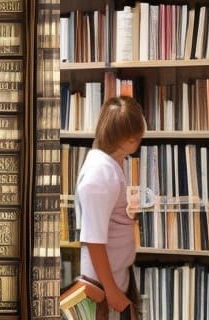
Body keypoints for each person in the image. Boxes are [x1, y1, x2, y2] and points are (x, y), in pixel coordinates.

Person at [75, 94, 147, 319]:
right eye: (137, 136)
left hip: (116, 276)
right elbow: (94, 240)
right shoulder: (99, 175)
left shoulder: (114, 160)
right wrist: (112, 291)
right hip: (103, 287)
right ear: (127, 138)